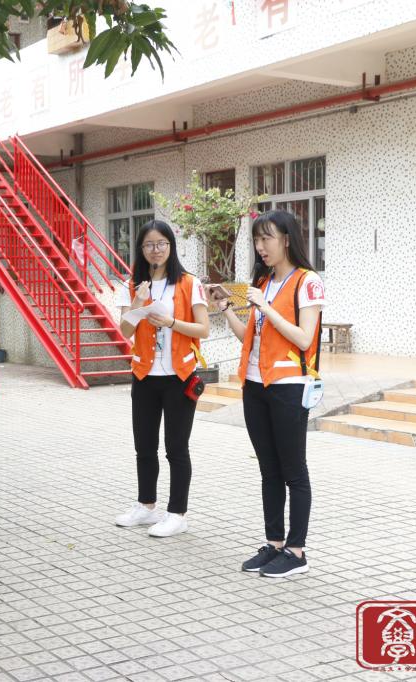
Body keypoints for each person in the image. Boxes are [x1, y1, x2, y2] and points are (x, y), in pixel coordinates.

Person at [213, 209, 323, 579]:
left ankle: (297, 552)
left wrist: (267, 307)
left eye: (267, 238)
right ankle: (274, 544)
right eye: (257, 240)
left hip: (289, 385)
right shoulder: (263, 282)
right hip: (255, 384)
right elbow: (250, 338)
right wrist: (227, 308)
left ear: (287, 240)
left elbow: (304, 339)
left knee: (294, 470)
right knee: (268, 469)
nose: (260, 246)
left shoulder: (307, 281)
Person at [114, 220, 209, 538]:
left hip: (179, 376)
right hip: (144, 375)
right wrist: (137, 303)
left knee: (176, 448)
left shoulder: (189, 283)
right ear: (141, 249)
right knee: (144, 446)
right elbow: (124, 331)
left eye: (161, 244)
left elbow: (203, 330)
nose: (155, 250)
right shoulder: (133, 284)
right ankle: (146, 506)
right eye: (149, 245)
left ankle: (178, 514)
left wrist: (171, 322)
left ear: (171, 246)